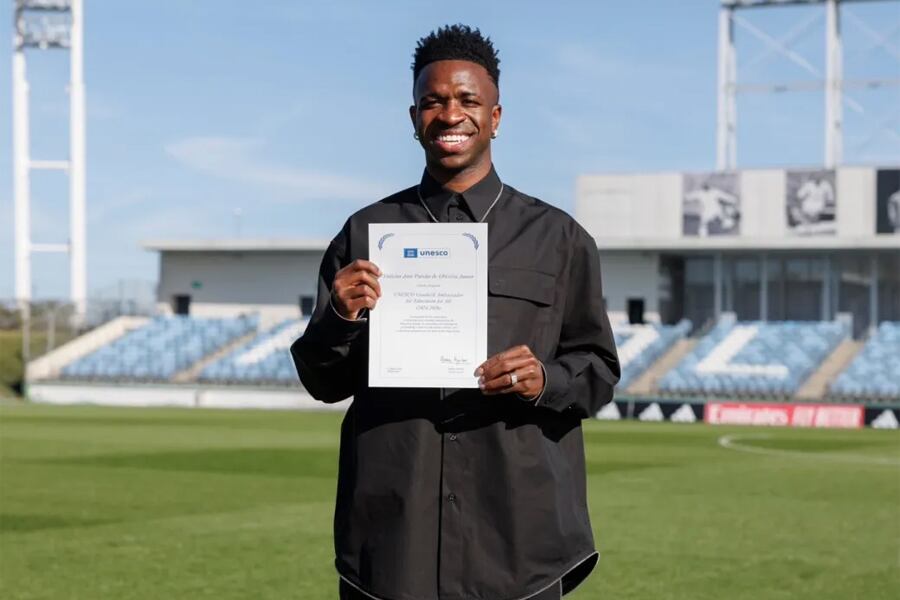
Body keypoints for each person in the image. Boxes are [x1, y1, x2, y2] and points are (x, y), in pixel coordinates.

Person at [291, 24, 620, 600]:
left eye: (468, 100)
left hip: (518, 543)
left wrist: (544, 379)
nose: (450, 115)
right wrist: (338, 318)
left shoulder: (559, 238)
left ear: (495, 117)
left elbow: (598, 370)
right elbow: (322, 381)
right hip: (392, 541)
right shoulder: (365, 232)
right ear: (413, 115)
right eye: (433, 101)